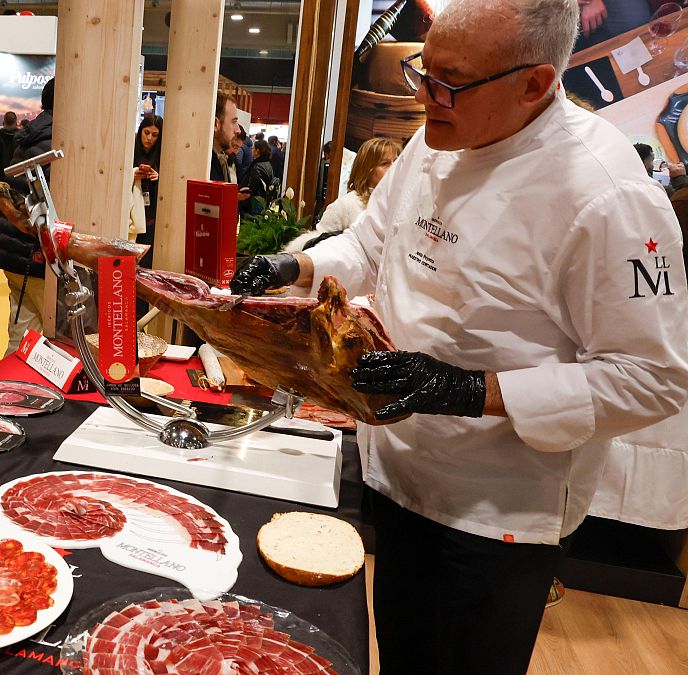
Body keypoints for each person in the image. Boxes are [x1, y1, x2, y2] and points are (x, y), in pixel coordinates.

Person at [229, 1, 688, 673]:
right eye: (424, 71)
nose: (424, 97)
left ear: (535, 83)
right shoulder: (436, 135)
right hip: (397, 465)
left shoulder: (606, 192)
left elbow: (652, 378)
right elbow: (369, 243)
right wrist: (295, 266)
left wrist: (469, 389)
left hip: (497, 508)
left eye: (450, 81)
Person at [0, 78, 56, 355]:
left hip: (14, 250)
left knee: (20, 338)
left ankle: (8, 394)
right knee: (58, 340)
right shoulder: (59, 140)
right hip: (41, 254)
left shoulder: (31, 134)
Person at [285, 137, 402, 252]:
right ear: (367, 169)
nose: (393, 167)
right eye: (384, 163)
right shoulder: (346, 205)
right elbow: (319, 249)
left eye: (395, 161)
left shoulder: (400, 205)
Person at [133, 113, 162, 262]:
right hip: (131, 218)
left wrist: (158, 179)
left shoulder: (163, 155)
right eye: (146, 133)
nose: (149, 138)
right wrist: (133, 175)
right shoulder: (131, 150)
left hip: (152, 218)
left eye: (155, 135)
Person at [240, 139, 278, 215]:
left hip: (254, 202)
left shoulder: (257, 166)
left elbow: (253, 187)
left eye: (253, 148)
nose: (252, 150)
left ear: (257, 151)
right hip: (264, 200)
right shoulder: (268, 163)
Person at [210, 94, 239, 183]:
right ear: (216, 124)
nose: (238, 130)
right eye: (233, 121)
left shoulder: (219, 158)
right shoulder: (205, 164)